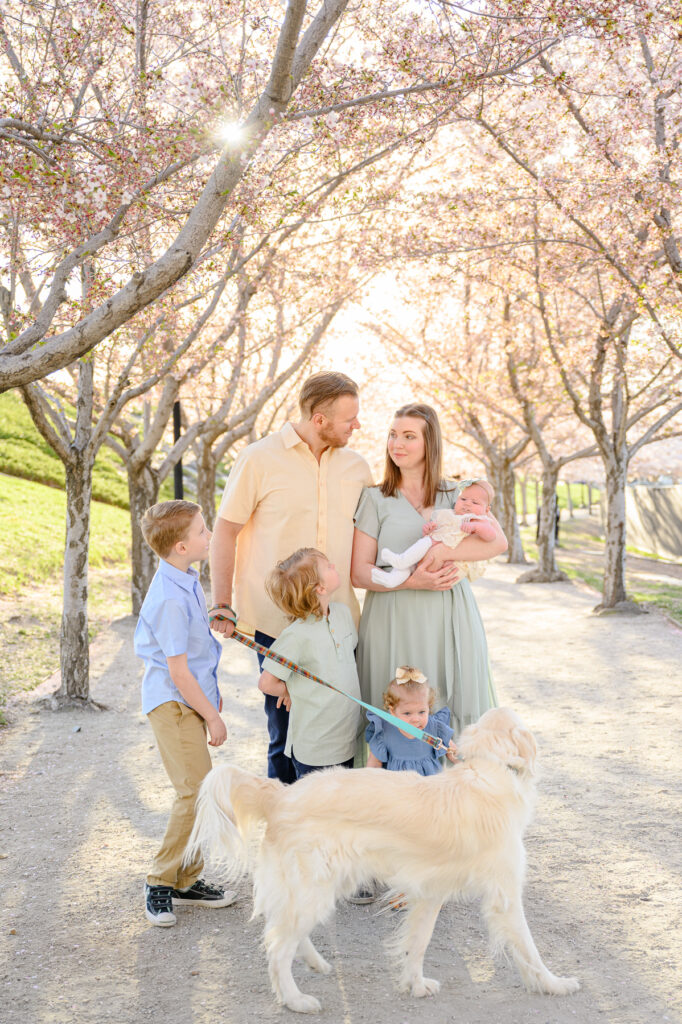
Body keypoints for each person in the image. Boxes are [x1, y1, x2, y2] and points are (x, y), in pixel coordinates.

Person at [210, 371, 372, 784]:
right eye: (349, 418)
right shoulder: (258, 458)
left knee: (339, 722)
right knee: (285, 732)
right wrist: (221, 602)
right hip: (275, 622)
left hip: (338, 621)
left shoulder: (357, 467)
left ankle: (331, 822)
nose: (358, 425)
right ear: (319, 419)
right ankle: (282, 824)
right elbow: (225, 531)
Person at [351, 403, 508, 744]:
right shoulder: (375, 498)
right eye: (393, 435)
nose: (397, 444)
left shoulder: (457, 493)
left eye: (409, 436)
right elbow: (359, 573)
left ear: (430, 443)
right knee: (398, 708)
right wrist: (413, 580)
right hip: (392, 616)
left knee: (447, 699)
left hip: (448, 614)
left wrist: (441, 552)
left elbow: (498, 543)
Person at [134, 500, 236, 928]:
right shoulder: (169, 600)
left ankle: (186, 879)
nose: (209, 536)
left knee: (202, 792)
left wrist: (210, 697)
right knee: (193, 793)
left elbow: (195, 659)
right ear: (180, 546)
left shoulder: (186, 579)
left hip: (190, 698)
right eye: (201, 531)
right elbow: (178, 672)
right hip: (174, 704)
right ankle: (160, 879)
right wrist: (211, 715)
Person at [257, 548, 361, 780]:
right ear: (320, 588)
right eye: (329, 567)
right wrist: (295, 689)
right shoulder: (296, 635)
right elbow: (267, 682)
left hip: (345, 737)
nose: (334, 566)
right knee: (317, 811)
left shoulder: (343, 614)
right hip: (315, 749)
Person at [372, 479, 497, 588]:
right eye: (463, 499)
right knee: (409, 567)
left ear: (487, 509)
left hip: (451, 564)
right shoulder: (450, 515)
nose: (467, 504)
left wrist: (475, 526)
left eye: (475, 502)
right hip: (428, 558)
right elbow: (438, 532)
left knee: (425, 543)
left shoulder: (479, 520)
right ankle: (390, 580)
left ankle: (401, 560)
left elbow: (491, 536)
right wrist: (429, 530)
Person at [366, 665, 459, 774]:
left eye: (422, 712)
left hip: (429, 784)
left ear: (429, 707)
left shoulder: (434, 727)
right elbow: (374, 766)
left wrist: (462, 761)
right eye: (407, 713)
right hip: (399, 786)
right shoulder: (385, 732)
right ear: (393, 712)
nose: (415, 719)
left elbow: (453, 752)